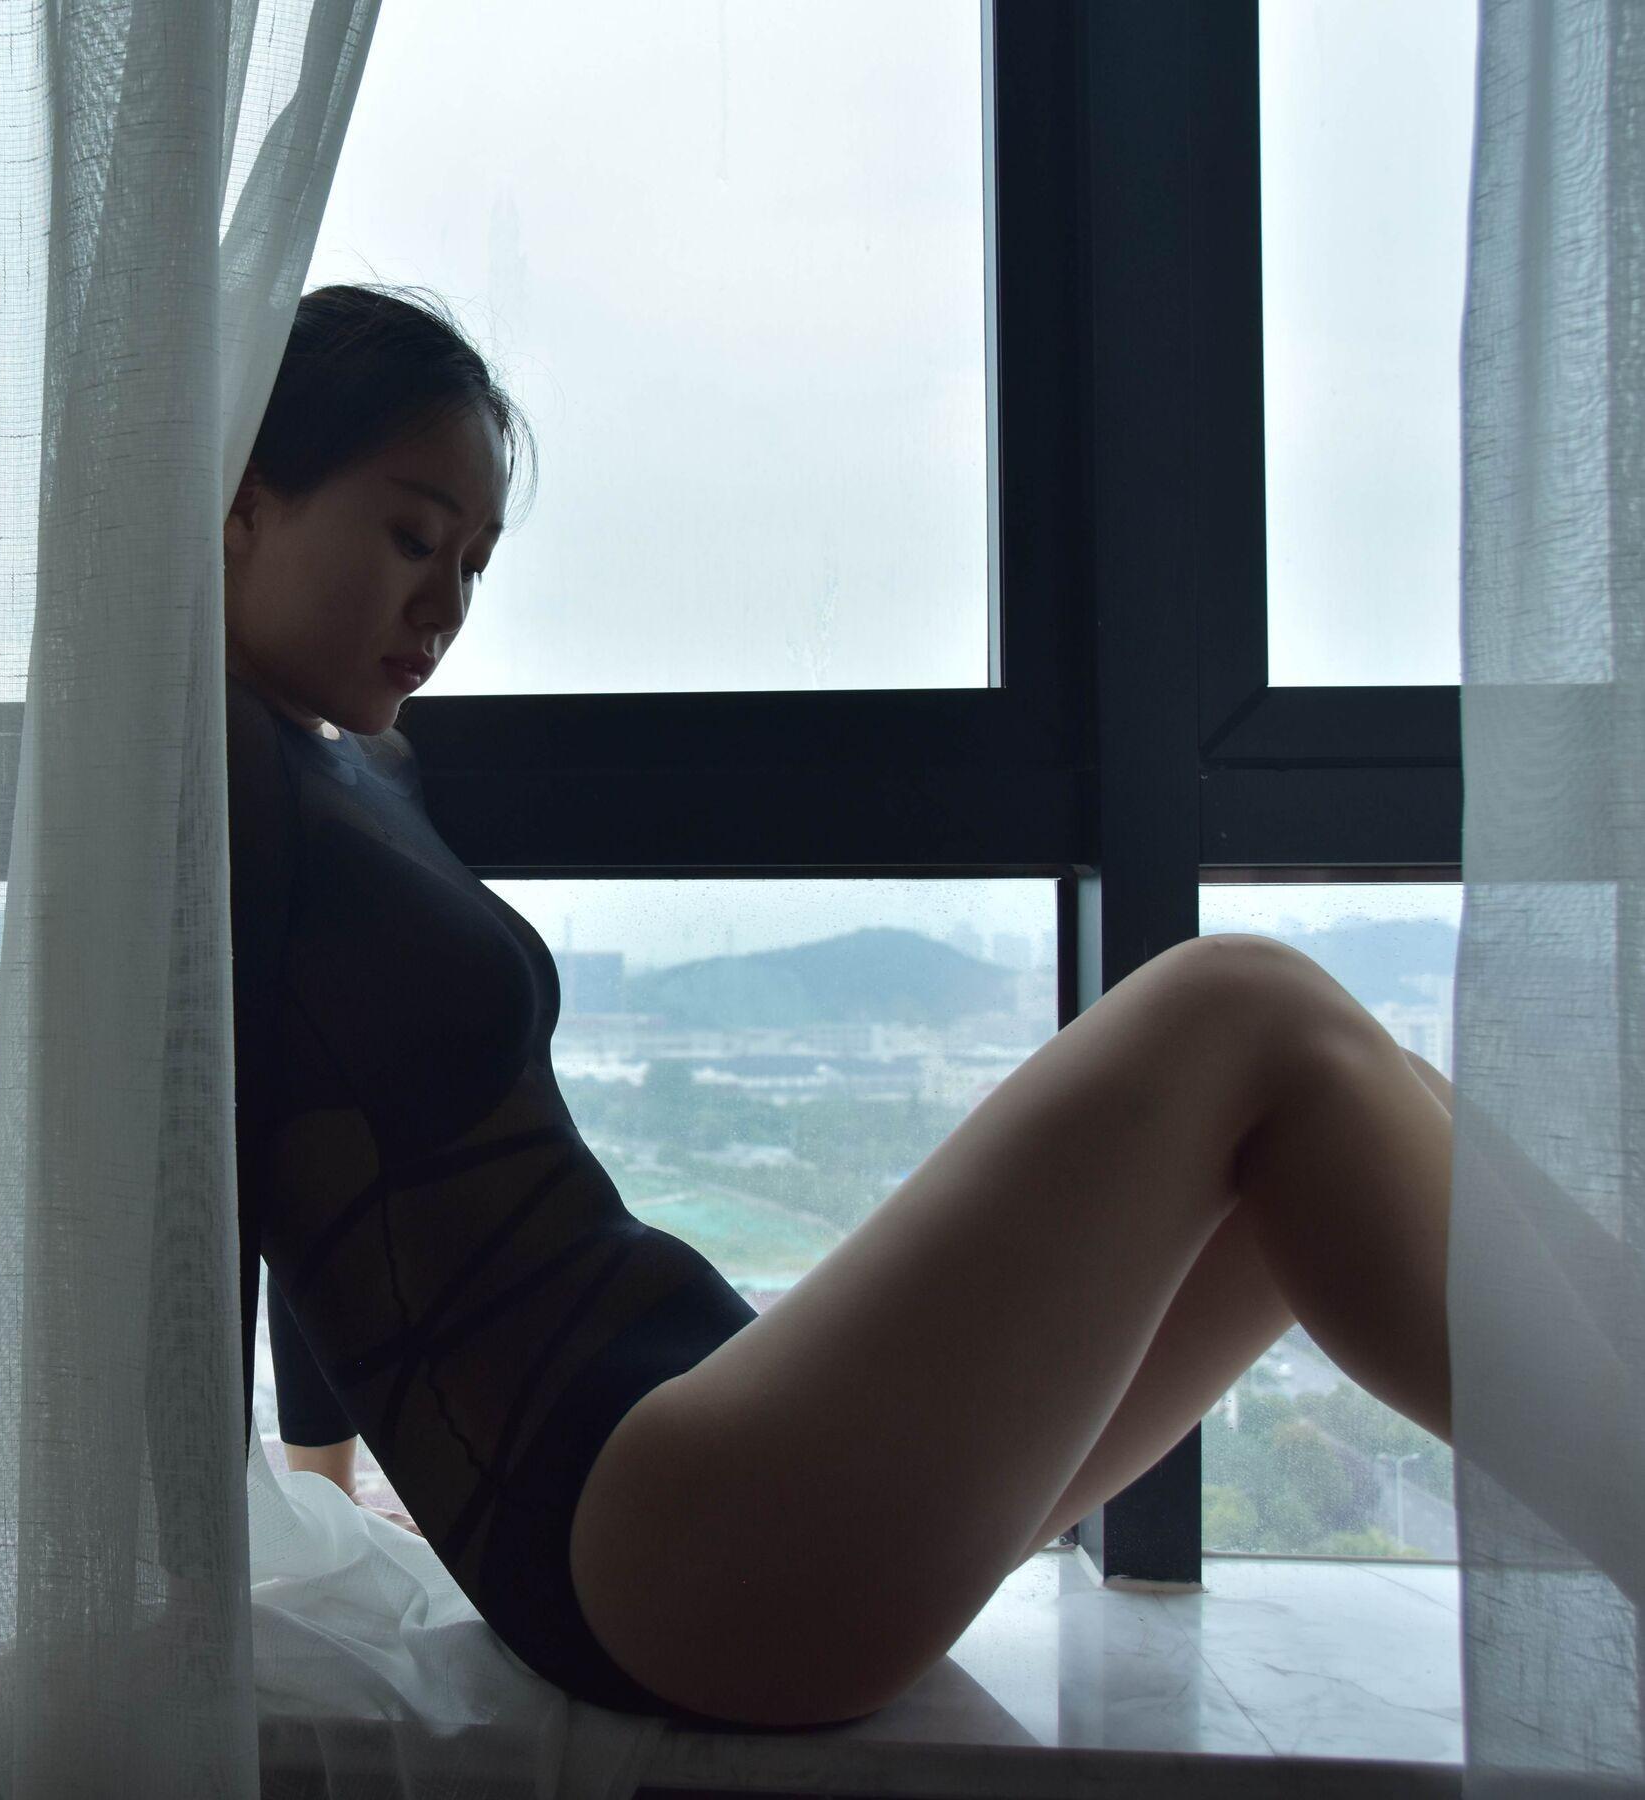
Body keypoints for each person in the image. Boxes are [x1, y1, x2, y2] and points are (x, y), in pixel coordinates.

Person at [225, 282, 1460, 1729]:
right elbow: (214, 1181)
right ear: (242, 503)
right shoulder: (222, 781)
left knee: (1349, 1123)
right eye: (411, 538)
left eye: (475, 564)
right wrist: (220, 1551)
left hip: (709, 1459)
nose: (444, 607)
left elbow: (340, 1137)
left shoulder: (363, 772)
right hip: (655, 1532)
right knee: (1242, 1007)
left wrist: (324, 1484)